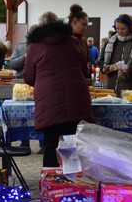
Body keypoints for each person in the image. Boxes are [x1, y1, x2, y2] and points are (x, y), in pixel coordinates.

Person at [24, 12, 93, 167]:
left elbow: (28, 77)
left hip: (49, 103)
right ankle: (71, 181)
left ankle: (50, 184)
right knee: (71, 143)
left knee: (50, 145)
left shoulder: (35, 46)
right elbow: (84, 69)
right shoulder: (74, 42)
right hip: (76, 99)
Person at [99, 14, 132, 93]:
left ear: (130, 28)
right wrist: (109, 68)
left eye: (123, 29)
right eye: (117, 28)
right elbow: (101, 62)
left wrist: (129, 68)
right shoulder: (110, 42)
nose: (119, 31)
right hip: (111, 88)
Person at [68, 4, 89, 77]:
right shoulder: (64, 40)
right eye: (83, 24)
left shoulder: (83, 41)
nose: (85, 27)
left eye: (86, 25)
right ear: (74, 22)